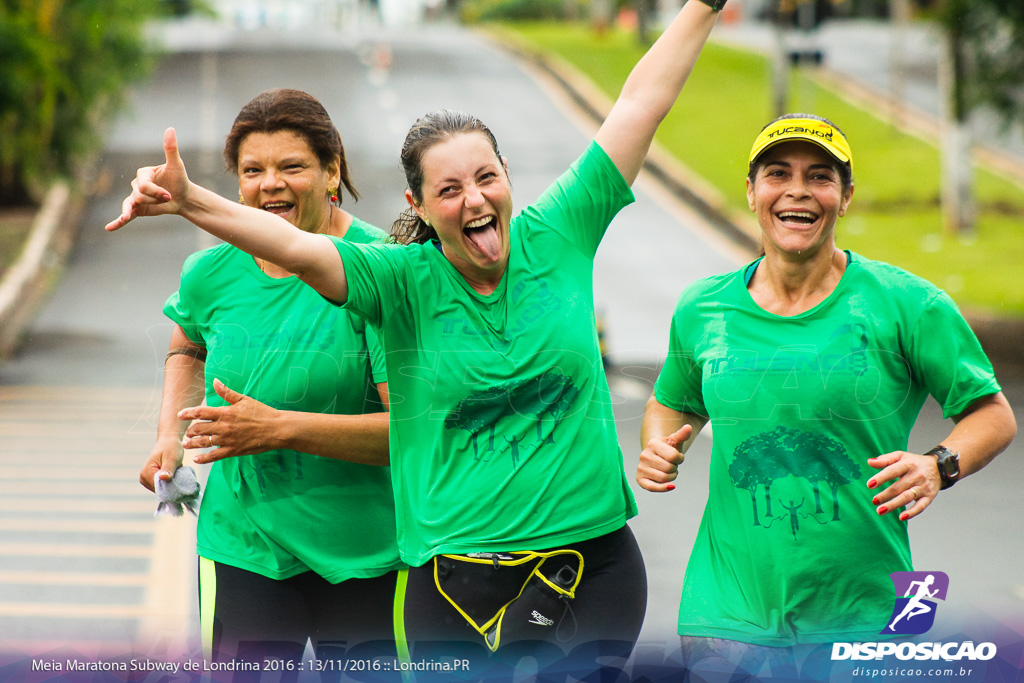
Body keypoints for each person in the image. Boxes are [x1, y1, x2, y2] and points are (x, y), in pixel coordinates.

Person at [108, 0, 726, 673]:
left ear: (508, 176)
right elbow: (294, 245)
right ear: (420, 206)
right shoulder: (399, 280)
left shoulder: (562, 232)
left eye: (487, 177)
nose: (475, 200)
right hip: (448, 579)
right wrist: (194, 200)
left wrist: (704, 6)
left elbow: (640, 104)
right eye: (451, 188)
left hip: (585, 563)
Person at [636, 113, 1017, 678]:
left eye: (819, 176)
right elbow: (671, 401)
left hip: (865, 620)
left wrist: (939, 464)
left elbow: (992, 414)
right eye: (776, 173)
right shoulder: (704, 308)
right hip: (726, 617)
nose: (797, 191)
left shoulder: (907, 304)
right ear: (751, 191)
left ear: (845, 197)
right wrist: (657, 445)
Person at [138, 89, 404, 667]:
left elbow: (410, 435)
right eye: (253, 170)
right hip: (244, 549)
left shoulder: (381, 268)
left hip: (367, 557)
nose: (270, 184)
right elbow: (188, 341)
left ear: (332, 171)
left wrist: (278, 429)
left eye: (292, 167)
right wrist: (168, 438)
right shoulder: (210, 272)